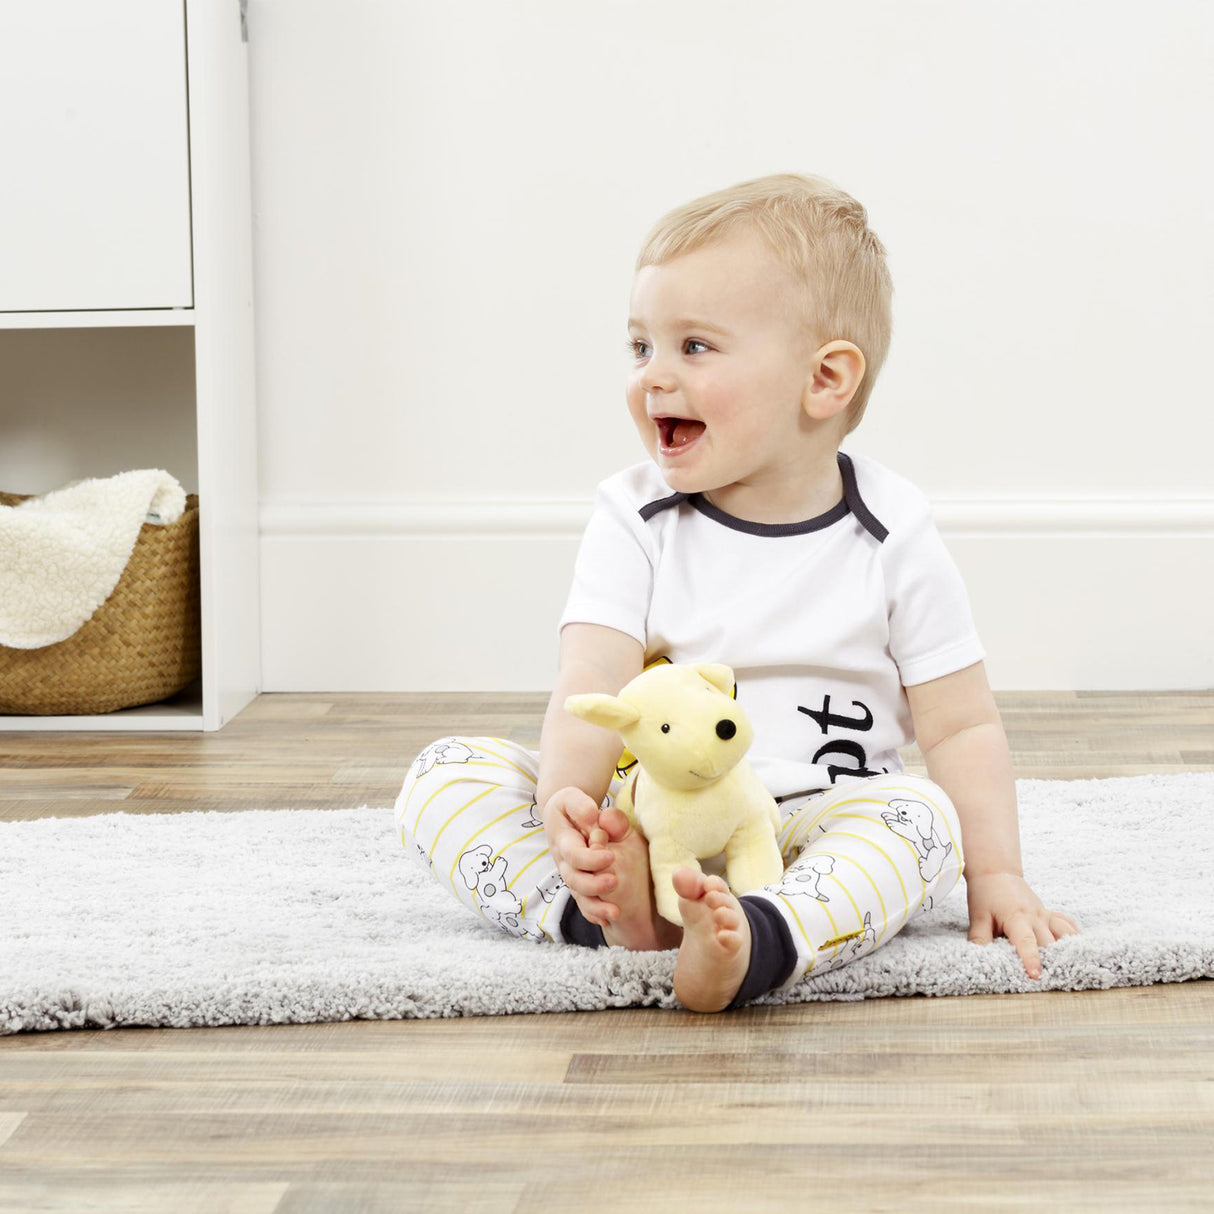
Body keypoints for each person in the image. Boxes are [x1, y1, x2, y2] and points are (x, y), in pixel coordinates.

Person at [394, 172, 1080, 1013]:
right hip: (650, 816)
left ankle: (757, 936)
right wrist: (568, 815)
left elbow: (962, 722)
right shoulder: (635, 515)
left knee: (918, 819)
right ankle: (610, 912)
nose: (654, 377)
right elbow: (590, 683)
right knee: (446, 774)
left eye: (695, 347)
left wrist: (999, 873)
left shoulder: (893, 531)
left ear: (824, 380)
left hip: (806, 830)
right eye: (641, 346)